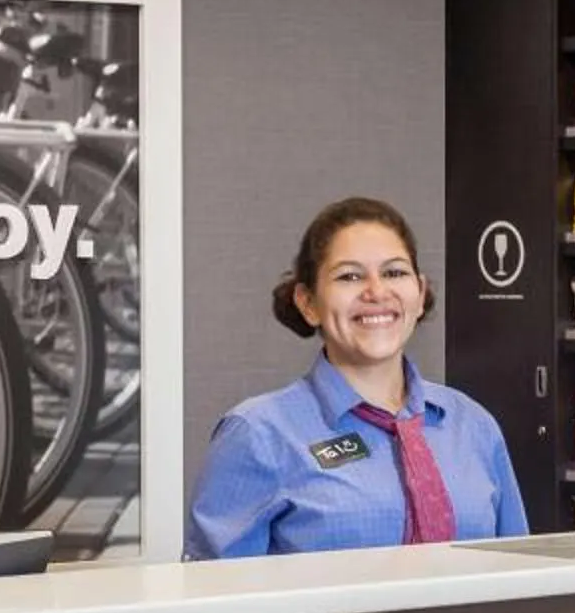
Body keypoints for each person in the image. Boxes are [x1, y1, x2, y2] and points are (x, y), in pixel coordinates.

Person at [185, 196, 529, 559]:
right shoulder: (259, 435)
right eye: (349, 276)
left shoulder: (472, 424)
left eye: (394, 272)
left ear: (420, 291)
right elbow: (214, 602)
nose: (377, 292)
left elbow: (519, 576)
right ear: (308, 302)